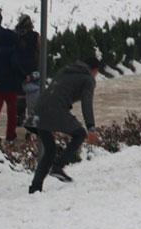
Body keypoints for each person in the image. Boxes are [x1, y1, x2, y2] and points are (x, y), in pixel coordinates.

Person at [27, 57, 101, 193]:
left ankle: (35, 188)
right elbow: (87, 104)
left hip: (39, 109)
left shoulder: (66, 70)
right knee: (80, 134)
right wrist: (91, 128)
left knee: (50, 149)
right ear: (95, 70)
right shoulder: (88, 79)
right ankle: (58, 166)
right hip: (55, 110)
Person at [0, 22, 22, 143]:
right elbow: (15, 65)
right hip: (10, 85)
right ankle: (10, 135)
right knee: (12, 111)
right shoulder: (13, 51)